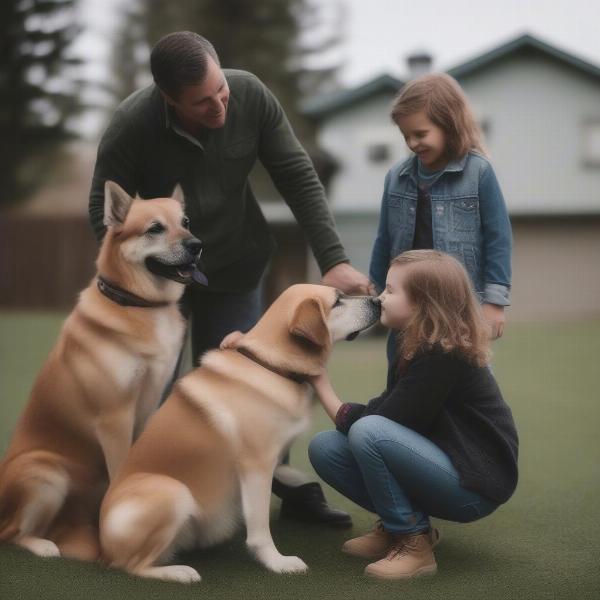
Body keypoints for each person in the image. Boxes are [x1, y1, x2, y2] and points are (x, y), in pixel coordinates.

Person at [87, 31, 370, 527]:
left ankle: (285, 486)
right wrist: (135, 281)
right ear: (169, 99)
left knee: (254, 387)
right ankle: (154, 499)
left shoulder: (250, 94)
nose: (220, 103)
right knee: (155, 396)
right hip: (159, 288)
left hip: (237, 264)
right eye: (202, 101)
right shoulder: (132, 125)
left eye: (221, 90)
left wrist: (333, 258)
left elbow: (297, 174)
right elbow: (101, 211)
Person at [308, 250, 519, 579]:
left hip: (474, 485)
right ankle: (400, 526)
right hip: (443, 462)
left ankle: (413, 543)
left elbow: (383, 422)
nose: (380, 298)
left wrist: (320, 380)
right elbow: (386, 408)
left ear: (424, 304)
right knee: (326, 447)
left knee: (369, 432)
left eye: (390, 291)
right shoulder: (414, 343)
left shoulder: (443, 353)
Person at [369, 73, 512, 366]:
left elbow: (499, 237)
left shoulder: (479, 173)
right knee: (403, 378)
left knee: (468, 379)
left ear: (449, 124)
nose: (412, 142)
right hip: (409, 303)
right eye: (405, 135)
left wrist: (494, 302)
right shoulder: (396, 178)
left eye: (420, 134)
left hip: (460, 307)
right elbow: (384, 239)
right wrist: (375, 294)